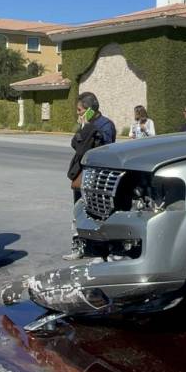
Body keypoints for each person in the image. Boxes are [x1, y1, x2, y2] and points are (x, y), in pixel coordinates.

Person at [63, 92, 116, 260]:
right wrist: (84, 128)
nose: (78, 113)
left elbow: (104, 148)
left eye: (80, 110)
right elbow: (75, 145)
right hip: (81, 175)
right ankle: (79, 246)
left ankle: (101, 250)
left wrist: (89, 130)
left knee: (98, 213)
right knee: (78, 210)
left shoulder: (105, 125)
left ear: (90, 109)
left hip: (97, 178)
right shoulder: (85, 124)